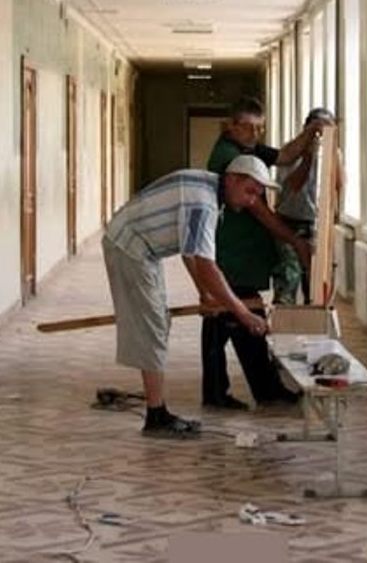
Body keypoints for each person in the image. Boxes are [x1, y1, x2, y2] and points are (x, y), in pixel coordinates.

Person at [101, 155, 278, 437]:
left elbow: (189, 250)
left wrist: (205, 294)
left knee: (158, 321)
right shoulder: (203, 203)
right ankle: (156, 417)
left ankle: (158, 410)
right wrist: (243, 313)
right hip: (130, 246)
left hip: (140, 246)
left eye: (257, 195)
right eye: (249, 191)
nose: (252, 201)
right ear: (232, 179)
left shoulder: (208, 189)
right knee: (152, 324)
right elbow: (206, 264)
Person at [200, 97, 329, 410]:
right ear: (231, 126)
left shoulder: (247, 149)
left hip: (242, 257)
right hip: (231, 254)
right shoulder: (229, 157)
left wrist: (311, 132)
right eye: (248, 127)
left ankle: (261, 388)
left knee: (239, 319)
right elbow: (258, 209)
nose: (255, 134)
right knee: (224, 319)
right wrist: (295, 241)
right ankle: (225, 392)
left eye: (260, 128)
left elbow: (284, 156)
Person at [272, 108, 343, 305]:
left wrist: (333, 152)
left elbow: (338, 185)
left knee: (314, 285)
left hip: (314, 225)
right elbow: (294, 185)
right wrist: (308, 157)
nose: (320, 134)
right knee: (288, 278)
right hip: (288, 222)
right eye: (316, 129)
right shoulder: (292, 151)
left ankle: (310, 321)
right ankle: (284, 319)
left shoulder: (332, 153)